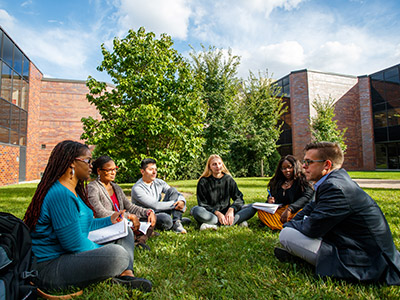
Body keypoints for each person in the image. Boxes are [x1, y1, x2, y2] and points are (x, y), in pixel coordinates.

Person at [23, 140, 152, 292]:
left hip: (68, 254)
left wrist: (111, 220)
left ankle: (126, 275)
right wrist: (103, 249)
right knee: (118, 255)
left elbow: (86, 225)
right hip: (50, 267)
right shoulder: (60, 194)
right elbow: (73, 244)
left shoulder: (74, 191)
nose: (91, 166)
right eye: (88, 161)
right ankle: (120, 270)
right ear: (72, 163)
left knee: (125, 231)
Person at [275, 142, 400, 285]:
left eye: (308, 162)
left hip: (369, 260)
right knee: (291, 230)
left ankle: (313, 261)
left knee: (287, 235)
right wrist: (294, 222)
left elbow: (312, 227)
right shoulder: (333, 181)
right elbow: (311, 207)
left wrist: (290, 226)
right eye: (304, 162)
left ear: (327, 165)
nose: (303, 166)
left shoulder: (335, 188)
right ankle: (300, 255)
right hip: (353, 243)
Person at [88, 155, 157, 251]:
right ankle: (138, 239)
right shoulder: (93, 188)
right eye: (109, 170)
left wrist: (148, 212)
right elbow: (100, 213)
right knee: (127, 226)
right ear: (99, 171)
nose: (113, 173)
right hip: (110, 224)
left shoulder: (116, 187)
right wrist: (128, 217)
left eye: (114, 169)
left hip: (124, 222)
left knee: (151, 217)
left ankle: (139, 240)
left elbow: (129, 206)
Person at [191, 154, 256, 230]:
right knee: (196, 210)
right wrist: (217, 213)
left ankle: (214, 225)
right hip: (212, 214)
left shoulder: (228, 179)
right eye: (214, 164)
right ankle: (234, 222)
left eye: (219, 163)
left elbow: (239, 198)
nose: (218, 166)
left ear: (222, 164)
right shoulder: (203, 182)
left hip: (228, 213)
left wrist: (231, 209)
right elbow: (202, 204)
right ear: (209, 167)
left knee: (253, 206)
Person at [131, 158, 189, 234]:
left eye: (155, 169)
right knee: (166, 219)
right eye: (151, 169)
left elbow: (175, 193)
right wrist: (178, 205)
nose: (154, 172)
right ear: (142, 171)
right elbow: (155, 205)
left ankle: (176, 222)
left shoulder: (159, 182)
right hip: (147, 216)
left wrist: (182, 201)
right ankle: (172, 222)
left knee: (173, 190)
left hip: (159, 212)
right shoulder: (137, 188)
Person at [257, 155, 314, 230]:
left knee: (303, 213)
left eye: (290, 167)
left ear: (295, 167)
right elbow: (272, 197)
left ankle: (288, 225)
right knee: (262, 211)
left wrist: (290, 209)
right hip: (281, 211)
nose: (287, 170)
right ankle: (284, 227)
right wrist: (270, 201)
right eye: (284, 168)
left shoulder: (303, 180)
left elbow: (306, 197)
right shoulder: (277, 182)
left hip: (297, 210)